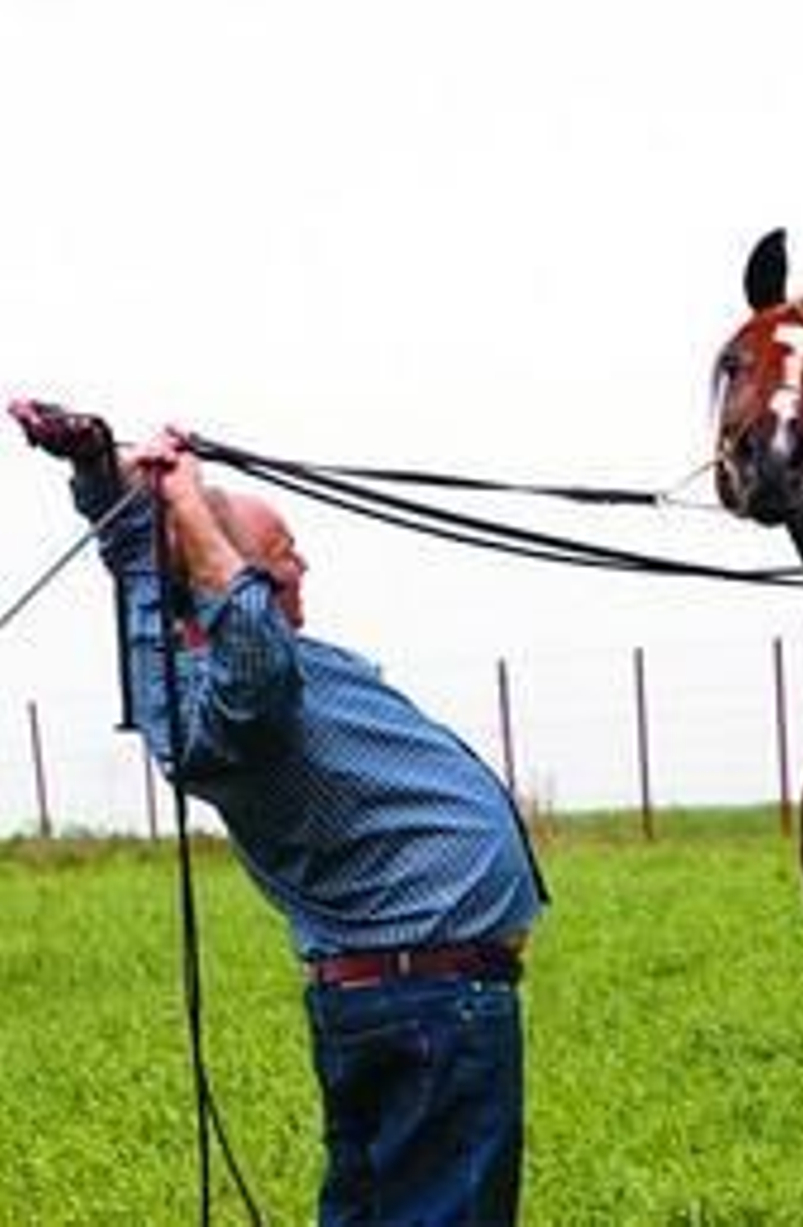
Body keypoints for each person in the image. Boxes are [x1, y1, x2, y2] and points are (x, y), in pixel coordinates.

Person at [11, 401, 548, 1226]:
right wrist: (194, 512)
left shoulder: (190, 655)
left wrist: (95, 462)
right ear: (232, 577)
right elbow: (247, 638)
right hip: (428, 1003)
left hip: (409, 996)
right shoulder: (232, 696)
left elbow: (139, 553)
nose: (300, 567)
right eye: (282, 553)